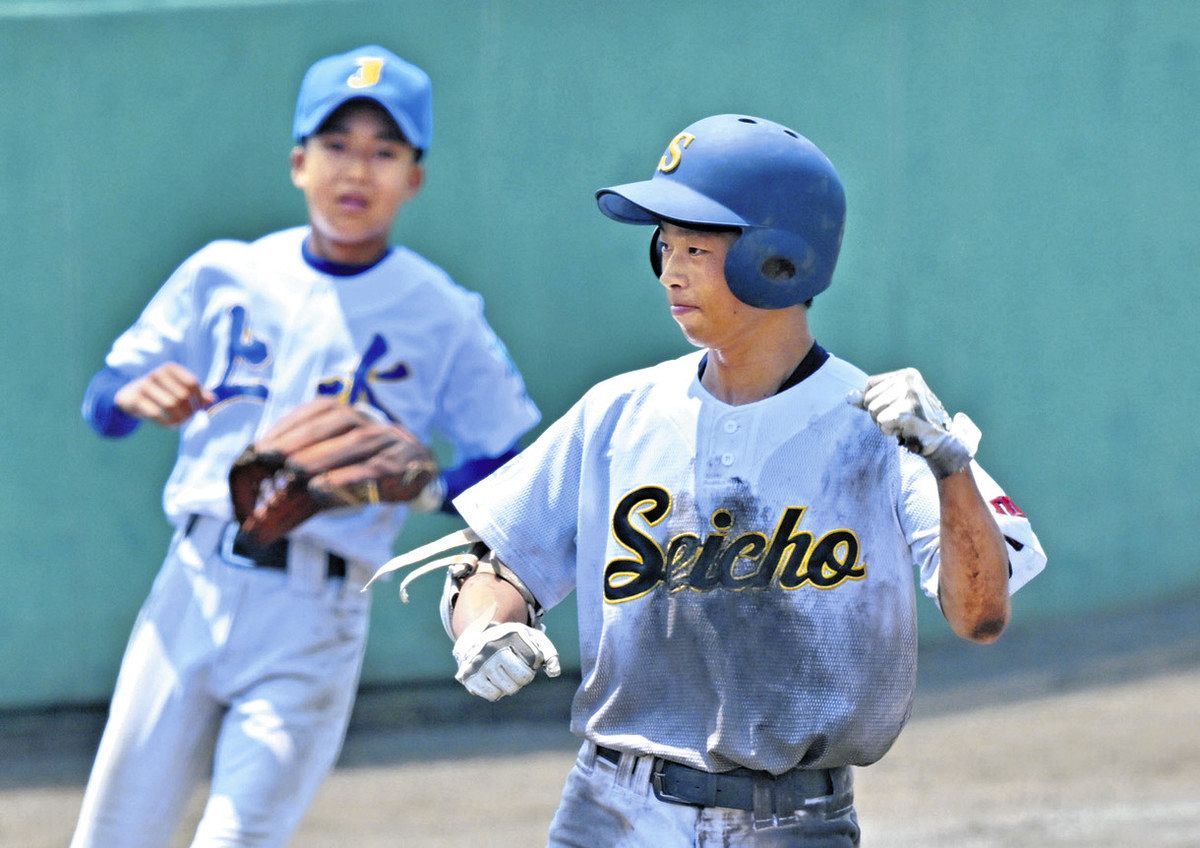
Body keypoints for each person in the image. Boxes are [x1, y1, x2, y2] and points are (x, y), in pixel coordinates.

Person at [388, 114, 1046, 846]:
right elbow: (500, 563)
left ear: (779, 261)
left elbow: (979, 614)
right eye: (664, 246)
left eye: (697, 248)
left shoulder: (885, 429)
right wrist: (482, 627)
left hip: (794, 820)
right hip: (609, 807)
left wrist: (948, 467)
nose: (671, 270)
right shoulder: (618, 411)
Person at [72, 45, 539, 847]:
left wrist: (426, 488)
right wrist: (126, 394)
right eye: (336, 146)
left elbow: (509, 464)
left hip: (317, 606)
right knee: (114, 834)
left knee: (238, 839)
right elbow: (102, 404)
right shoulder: (223, 273)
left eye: (384, 152)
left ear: (413, 179)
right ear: (298, 163)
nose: (357, 171)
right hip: (191, 582)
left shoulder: (443, 312)